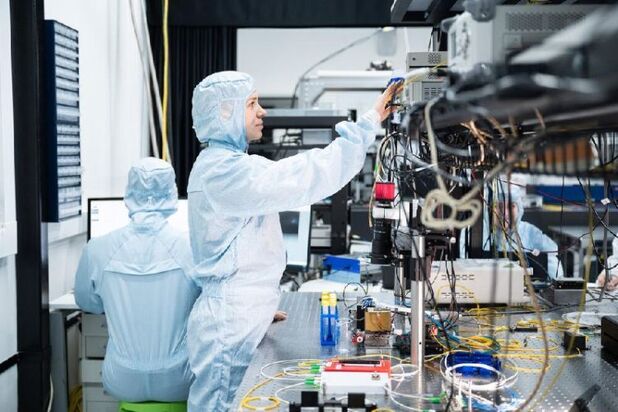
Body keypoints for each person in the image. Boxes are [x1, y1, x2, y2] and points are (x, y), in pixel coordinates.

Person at [186, 71, 400, 411]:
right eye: (252, 104)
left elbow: (242, 252)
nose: (262, 111)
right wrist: (367, 124)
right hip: (230, 326)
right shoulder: (223, 172)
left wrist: (257, 306)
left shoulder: (228, 166)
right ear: (225, 113)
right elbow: (303, 176)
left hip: (240, 316)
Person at [74, 157, 199, 402]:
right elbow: (212, 302)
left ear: (129, 192)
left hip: (122, 378)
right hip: (178, 378)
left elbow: (88, 303)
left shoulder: (97, 249)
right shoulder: (193, 248)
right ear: (172, 192)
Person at [491, 182, 563, 279]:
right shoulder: (479, 236)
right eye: (499, 206)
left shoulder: (529, 232)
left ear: (519, 209)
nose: (505, 213)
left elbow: (552, 258)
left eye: (511, 206)